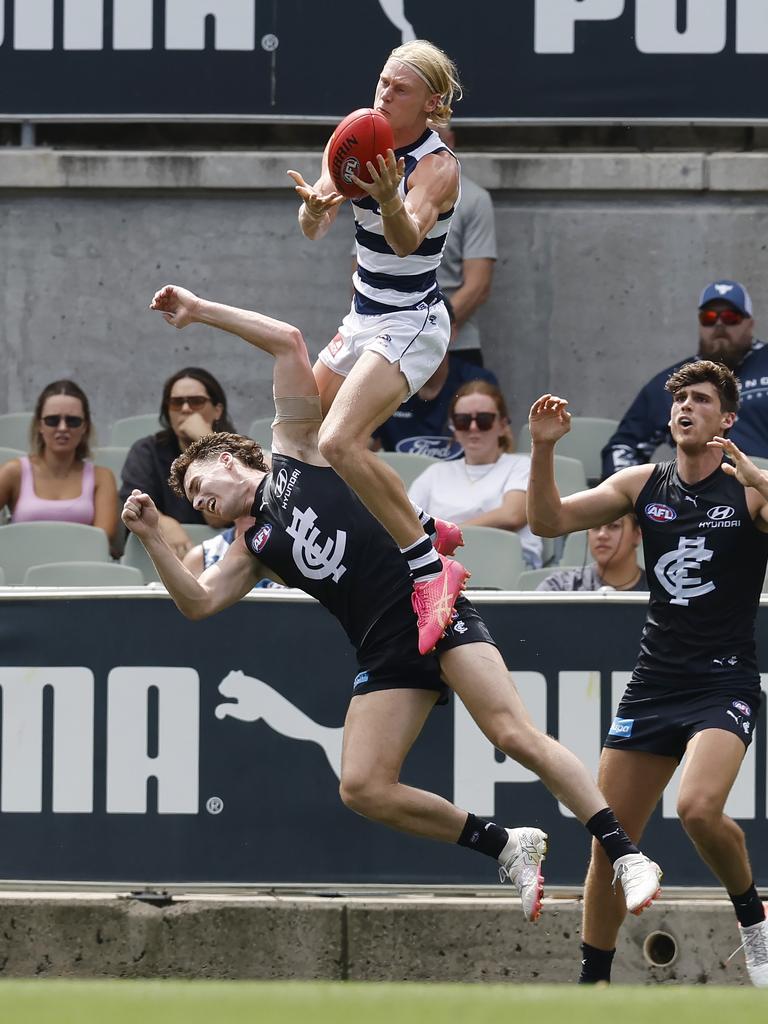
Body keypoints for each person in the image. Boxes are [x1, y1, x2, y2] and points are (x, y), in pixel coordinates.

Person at [122, 282, 663, 924]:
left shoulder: (297, 447)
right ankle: (507, 845)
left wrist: (201, 310)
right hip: (381, 644)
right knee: (362, 787)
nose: (196, 499)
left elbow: (287, 341)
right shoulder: (251, 547)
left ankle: (626, 854)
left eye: (196, 483)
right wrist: (155, 536)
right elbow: (198, 604)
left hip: (429, 601)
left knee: (512, 733)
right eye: (187, 498)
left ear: (226, 455)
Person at [527, 360, 768, 987]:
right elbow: (547, 521)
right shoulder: (642, 485)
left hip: (724, 681)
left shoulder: (750, 491)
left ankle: (753, 919)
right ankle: (594, 982)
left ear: (728, 418)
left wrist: (762, 476)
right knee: (612, 843)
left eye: (703, 400)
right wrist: (543, 449)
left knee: (697, 808)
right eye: (680, 399)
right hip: (654, 684)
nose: (687, 407)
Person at [287, 40, 468, 655]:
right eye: (382, 82)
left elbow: (403, 239)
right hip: (363, 316)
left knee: (339, 440)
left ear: (432, 104)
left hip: (412, 320)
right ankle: (423, 529)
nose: (383, 95)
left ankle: (427, 568)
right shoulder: (359, 135)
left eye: (399, 89)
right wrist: (313, 209)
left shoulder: (437, 166)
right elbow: (314, 226)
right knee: (297, 440)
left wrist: (389, 196)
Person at [602, 280, 768, 479]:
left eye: (731, 317)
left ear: (750, 323)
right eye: (709, 318)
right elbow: (622, 447)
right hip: (695, 500)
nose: (719, 324)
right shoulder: (673, 383)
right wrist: (629, 498)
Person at [409, 381, 542, 568]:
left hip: (505, 568)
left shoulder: (521, 465)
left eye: (484, 420)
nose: (473, 427)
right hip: (443, 571)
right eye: (462, 420)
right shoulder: (434, 474)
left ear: (503, 425)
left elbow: (512, 516)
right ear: (453, 427)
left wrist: (448, 535)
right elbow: (406, 524)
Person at [119, 367, 236, 559]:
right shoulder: (147, 450)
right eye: (176, 402)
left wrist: (206, 441)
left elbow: (218, 518)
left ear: (217, 410)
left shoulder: (236, 453)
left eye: (196, 402)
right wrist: (163, 523)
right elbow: (133, 502)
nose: (185, 409)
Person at [0, 379, 118, 544]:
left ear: (85, 427)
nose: (62, 428)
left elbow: (103, 540)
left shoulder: (102, 477)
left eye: (73, 421)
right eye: (52, 420)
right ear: (39, 425)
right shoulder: (13, 472)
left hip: (80, 566)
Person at [435, 121, 496, 368]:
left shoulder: (473, 199)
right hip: (390, 347)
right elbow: (362, 275)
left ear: (450, 141)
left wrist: (427, 331)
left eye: (433, 140)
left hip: (456, 344)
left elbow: (478, 286)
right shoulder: (384, 199)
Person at [373, 351, 498, 459]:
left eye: (461, 420)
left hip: (463, 480)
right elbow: (359, 445)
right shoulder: (386, 385)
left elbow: (501, 446)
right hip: (401, 480)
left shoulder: (476, 381)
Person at [536, 515, 647, 592]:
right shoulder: (559, 588)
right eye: (595, 527)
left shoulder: (659, 593)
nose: (602, 535)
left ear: (637, 534)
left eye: (614, 526)